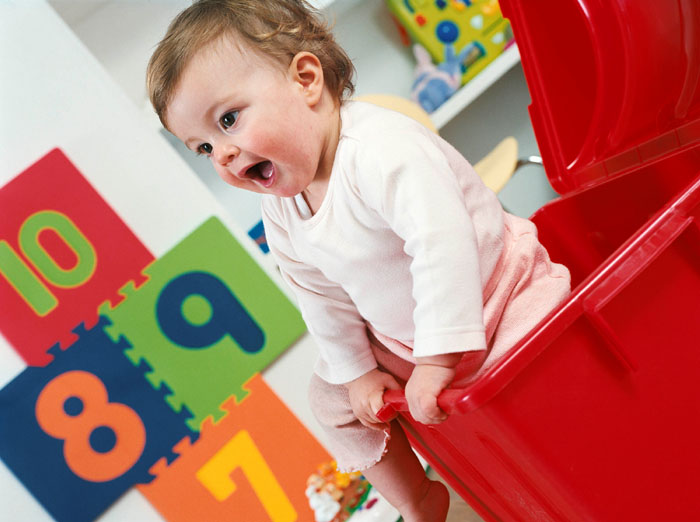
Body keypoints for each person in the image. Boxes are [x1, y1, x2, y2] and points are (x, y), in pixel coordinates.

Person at [146, 1, 571, 520]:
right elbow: (321, 298)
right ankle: (416, 497)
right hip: (407, 340)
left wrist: (438, 359)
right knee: (330, 399)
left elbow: (441, 243)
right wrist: (357, 375)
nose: (223, 155)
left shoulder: (378, 149)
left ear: (305, 80)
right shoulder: (281, 210)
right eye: (203, 148)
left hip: (499, 300)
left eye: (228, 121)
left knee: (540, 360)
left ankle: (563, 449)